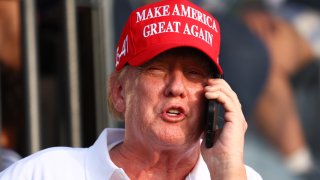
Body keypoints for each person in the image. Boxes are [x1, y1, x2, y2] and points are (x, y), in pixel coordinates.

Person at [0, 0, 262, 179]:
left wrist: (227, 172)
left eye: (194, 73)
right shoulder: (47, 172)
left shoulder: (238, 175)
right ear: (120, 92)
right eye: (157, 70)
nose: (176, 87)